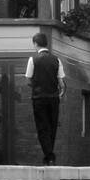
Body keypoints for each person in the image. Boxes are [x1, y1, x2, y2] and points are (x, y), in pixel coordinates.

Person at [25, 32, 65, 164]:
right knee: (52, 126)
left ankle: (49, 155)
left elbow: (28, 79)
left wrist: (36, 86)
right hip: (53, 98)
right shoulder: (57, 60)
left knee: (42, 127)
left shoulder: (33, 60)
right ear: (46, 44)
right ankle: (49, 155)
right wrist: (60, 94)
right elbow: (61, 83)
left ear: (35, 44)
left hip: (39, 97)